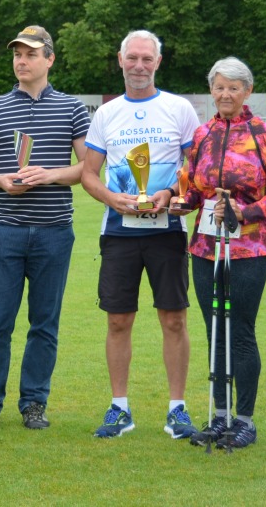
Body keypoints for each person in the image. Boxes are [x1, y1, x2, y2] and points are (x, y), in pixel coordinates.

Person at [0, 25, 90, 431]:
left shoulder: (72, 109)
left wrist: (49, 175)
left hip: (54, 230)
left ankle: (34, 402)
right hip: (5, 228)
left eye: (31, 54)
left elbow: (87, 168)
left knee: (44, 324)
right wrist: (0, 180)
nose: (22, 61)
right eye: (17, 54)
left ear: (49, 59)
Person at [169, 57, 266, 449]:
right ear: (212, 90)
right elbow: (193, 188)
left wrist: (247, 212)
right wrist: (181, 203)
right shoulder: (203, 133)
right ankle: (219, 416)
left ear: (247, 91)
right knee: (214, 331)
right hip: (204, 247)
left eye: (234, 87)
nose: (225, 94)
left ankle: (244, 421)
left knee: (240, 331)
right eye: (219, 87)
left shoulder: (264, 134)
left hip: (248, 248)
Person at [80, 29, 199, 440]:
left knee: (174, 319)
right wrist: (113, 199)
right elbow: (88, 174)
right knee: (118, 321)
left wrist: (172, 193)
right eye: (132, 58)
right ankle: (120, 408)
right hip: (119, 233)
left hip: (168, 231)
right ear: (120, 60)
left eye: (147, 58)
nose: (139, 65)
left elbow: (196, 168)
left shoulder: (179, 109)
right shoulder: (106, 114)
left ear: (158, 62)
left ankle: (177, 409)